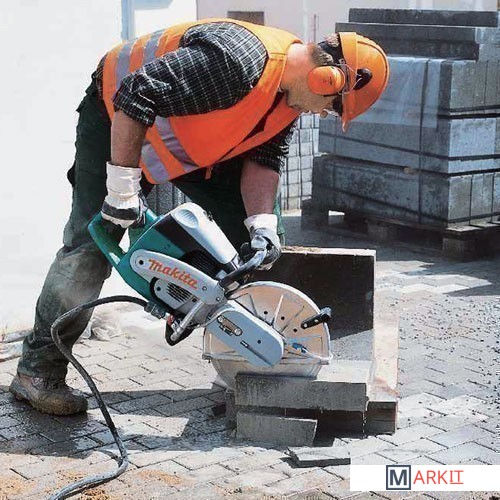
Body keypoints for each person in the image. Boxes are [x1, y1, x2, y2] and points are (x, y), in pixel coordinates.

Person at [10, 18, 389, 415]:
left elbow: (265, 159)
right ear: (326, 79)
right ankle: (38, 372)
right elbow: (135, 93)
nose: (323, 114)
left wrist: (262, 226)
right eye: (332, 107)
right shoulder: (238, 61)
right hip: (114, 119)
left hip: (180, 140)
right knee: (89, 250)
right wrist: (122, 190)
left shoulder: (288, 99)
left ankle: (250, 356)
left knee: (259, 244)